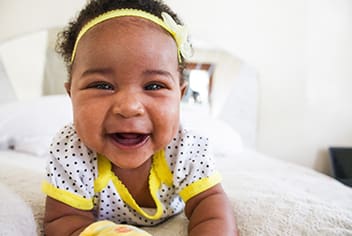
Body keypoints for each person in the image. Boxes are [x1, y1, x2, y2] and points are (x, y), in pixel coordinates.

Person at [42, 0, 238, 235]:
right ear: (71, 94)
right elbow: (64, 220)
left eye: (154, 85)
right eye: (102, 85)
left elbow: (211, 208)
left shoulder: (187, 147)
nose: (129, 107)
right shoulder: (71, 150)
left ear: (179, 96)